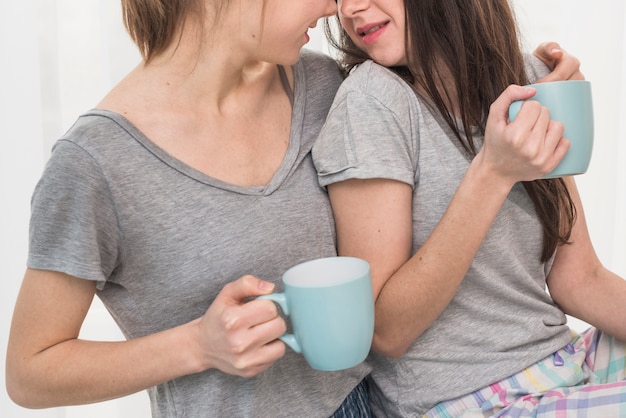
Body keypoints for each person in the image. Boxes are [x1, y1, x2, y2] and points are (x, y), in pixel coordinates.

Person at [5, 0, 582, 416]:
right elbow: (30, 372)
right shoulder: (95, 163)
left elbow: (436, 103)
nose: (336, 9)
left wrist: (531, 77)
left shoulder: (326, 88)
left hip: (372, 405)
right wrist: (194, 346)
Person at [313, 0, 626, 417]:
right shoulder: (371, 102)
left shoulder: (527, 80)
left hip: (560, 364)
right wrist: (493, 173)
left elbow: (580, 278)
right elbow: (386, 332)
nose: (350, 8)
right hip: (466, 401)